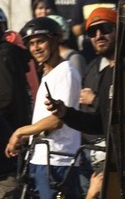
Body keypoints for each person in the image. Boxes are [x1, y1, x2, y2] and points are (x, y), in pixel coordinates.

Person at [6, 17, 82, 199]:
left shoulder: (66, 72)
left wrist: (20, 132)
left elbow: (57, 120)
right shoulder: (49, 74)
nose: (36, 48)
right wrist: (28, 137)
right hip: (42, 158)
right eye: (31, 44)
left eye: (40, 41)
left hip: (59, 161)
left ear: (56, 40)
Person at [46, 6, 117, 199]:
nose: (99, 35)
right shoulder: (106, 74)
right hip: (110, 165)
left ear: (120, 30)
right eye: (92, 31)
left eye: (105, 28)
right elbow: (98, 123)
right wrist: (65, 113)